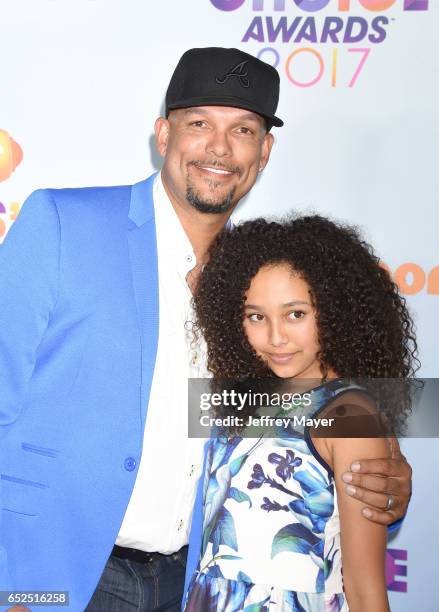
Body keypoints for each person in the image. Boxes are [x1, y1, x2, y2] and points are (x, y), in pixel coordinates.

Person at [0, 48, 411, 612]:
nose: (219, 148)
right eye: (200, 124)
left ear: (264, 152)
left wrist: (383, 469)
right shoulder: (62, 224)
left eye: (243, 130)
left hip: (198, 583)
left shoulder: (254, 280)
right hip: (58, 575)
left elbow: (308, 406)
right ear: (164, 135)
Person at [185, 216, 418, 611]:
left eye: (295, 314)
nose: (276, 337)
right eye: (256, 316)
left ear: (333, 310)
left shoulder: (348, 414)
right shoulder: (252, 397)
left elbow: (364, 589)